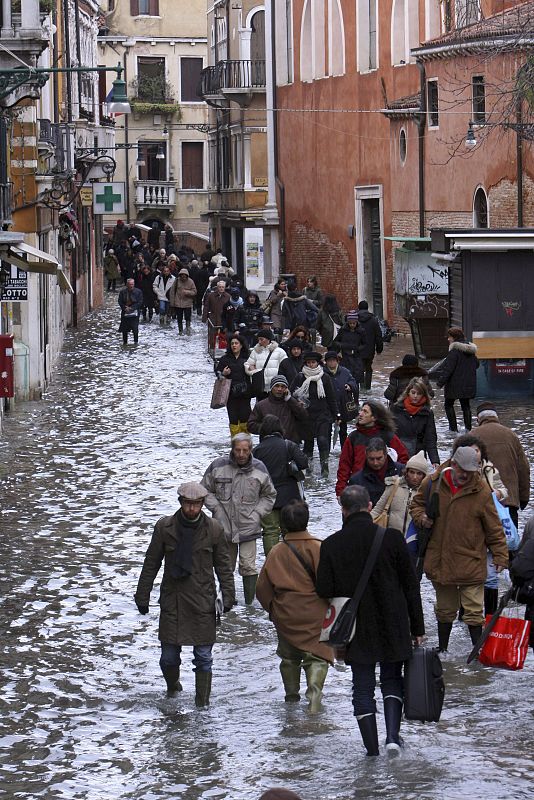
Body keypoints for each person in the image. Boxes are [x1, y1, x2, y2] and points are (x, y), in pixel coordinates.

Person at [316, 485, 425, 757]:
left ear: (343, 510)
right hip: (393, 621)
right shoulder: (393, 538)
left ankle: (372, 751)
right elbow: (411, 586)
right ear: (369, 506)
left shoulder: (331, 545)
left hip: (356, 626)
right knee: (392, 679)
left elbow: (324, 589)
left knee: (362, 686)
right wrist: (418, 627)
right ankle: (392, 738)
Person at [134, 482, 235, 706]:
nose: (192, 508)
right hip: (173, 600)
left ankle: (202, 705)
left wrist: (228, 596)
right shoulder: (164, 527)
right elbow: (151, 562)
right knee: (168, 658)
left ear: (202, 504)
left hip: (203, 602)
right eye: (188, 504)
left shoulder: (214, 529)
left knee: (204, 658)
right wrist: (142, 595)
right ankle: (173, 688)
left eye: (196, 504)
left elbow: (223, 566)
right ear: (180, 502)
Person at [410, 446, 509, 653]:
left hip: (471, 559)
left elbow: (493, 527)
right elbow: (416, 505)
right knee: (445, 609)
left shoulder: (481, 490)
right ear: (453, 464)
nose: (466, 475)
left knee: (473, 611)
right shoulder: (433, 482)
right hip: (440, 558)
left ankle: (477, 653)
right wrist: (422, 518)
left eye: (470, 471)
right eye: (463, 470)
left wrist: (501, 555)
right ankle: (442, 650)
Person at [256, 500, 332, 712]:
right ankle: (314, 696)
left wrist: (274, 610)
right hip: (315, 613)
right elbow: (331, 584)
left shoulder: (276, 551)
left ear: (283, 524)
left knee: (289, 658)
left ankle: (291, 699)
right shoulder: (319, 547)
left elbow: (262, 589)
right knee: (317, 657)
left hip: (286, 613)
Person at [201, 434, 276, 604]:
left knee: (248, 566)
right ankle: (227, 602)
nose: (241, 454)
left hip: (249, 526)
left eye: (245, 450)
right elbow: (204, 490)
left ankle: (249, 605)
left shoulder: (260, 469)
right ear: (232, 449)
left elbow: (269, 495)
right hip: (224, 527)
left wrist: (257, 513)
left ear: (250, 450)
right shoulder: (218, 466)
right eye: (238, 450)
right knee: (225, 567)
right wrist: (217, 508)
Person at [450, 433, 510, 615]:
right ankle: (465, 611)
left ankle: (490, 615)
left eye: (476, 450)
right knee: (464, 573)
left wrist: (496, 493)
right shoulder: (453, 473)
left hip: (487, 523)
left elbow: (504, 490)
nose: (474, 453)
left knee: (490, 576)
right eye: (470, 450)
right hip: (465, 531)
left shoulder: (489, 469)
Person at [253, 416, 309, 554]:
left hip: (267, 498)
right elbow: (303, 463)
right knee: (290, 531)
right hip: (290, 497)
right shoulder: (288, 445)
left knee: (270, 531)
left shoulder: (257, 450)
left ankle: (272, 561)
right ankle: (292, 560)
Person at [371, 451, 430, 573]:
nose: (415, 477)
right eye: (412, 472)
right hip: (390, 544)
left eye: (419, 473)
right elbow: (377, 510)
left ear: (424, 476)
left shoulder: (427, 493)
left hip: (414, 546)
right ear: (406, 472)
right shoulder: (394, 486)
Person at [474, 401, 530, 528]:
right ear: (496, 417)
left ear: (478, 419)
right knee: (510, 538)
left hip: (482, 503)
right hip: (509, 502)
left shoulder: (472, 436)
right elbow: (524, 469)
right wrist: (523, 498)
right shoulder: (511, 435)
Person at [336, 401, 409, 497]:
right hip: (359, 487)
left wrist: (394, 479)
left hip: (385, 487)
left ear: (374, 417)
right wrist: (340, 491)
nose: (360, 414)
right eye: (361, 410)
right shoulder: (353, 437)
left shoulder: (388, 436)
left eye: (365, 412)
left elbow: (403, 459)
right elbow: (344, 465)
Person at [290, 351, 339, 477]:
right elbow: (291, 395)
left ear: (318, 363)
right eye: (308, 363)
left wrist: (336, 415)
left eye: (313, 362)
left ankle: (325, 469)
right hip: (305, 416)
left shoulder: (325, 377)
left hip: (323, 415)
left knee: (323, 440)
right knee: (308, 444)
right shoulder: (300, 377)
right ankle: (308, 470)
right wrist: (298, 402)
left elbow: (331, 398)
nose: (311, 365)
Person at [435, 327, 479, 432]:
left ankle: (453, 429)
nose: (448, 339)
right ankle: (468, 429)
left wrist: (440, 383)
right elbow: (476, 364)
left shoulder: (454, 351)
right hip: (468, 383)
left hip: (454, 384)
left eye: (449, 337)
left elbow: (448, 369)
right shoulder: (470, 351)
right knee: (466, 406)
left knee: (448, 405)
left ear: (454, 337)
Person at [391, 378, 439, 466]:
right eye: (413, 393)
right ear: (408, 392)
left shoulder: (427, 413)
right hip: (399, 454)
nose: (415, 396)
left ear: (423, 395)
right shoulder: (396, 409)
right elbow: (389, 432)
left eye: (419, 393)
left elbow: (430, 438)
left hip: (418, 454)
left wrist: (435, 461)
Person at [248, 375, 308, 444]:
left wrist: (290, 400)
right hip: (269, 444)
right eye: (276, 386)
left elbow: (304, 416)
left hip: (290, 444)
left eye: (282, 386)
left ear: (286, 389)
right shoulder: (261, 405)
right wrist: (266, 427)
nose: (279, 389)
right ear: (271, 388)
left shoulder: (292, 403)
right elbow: (251, 425)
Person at [349, 438, 404, 506]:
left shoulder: (402, 471)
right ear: (366, 456)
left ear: (386, 455)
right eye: (371, 459)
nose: (375, 463)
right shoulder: (356, 480)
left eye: (379, 458)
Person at [215, 333, 251, 436]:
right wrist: (223, 374)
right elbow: (217, 372)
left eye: (236, 343)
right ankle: (235, 441)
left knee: (245, 418)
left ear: (241, 345)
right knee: (233, 418)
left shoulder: (248, 358)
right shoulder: (225, 359)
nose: (234, 345)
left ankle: (245, 441)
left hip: (245, 393)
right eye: (232, 344)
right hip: (230, 394)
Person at [323, 350, 359, 447]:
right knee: (327, 431)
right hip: (328, 406)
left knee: (343, 431)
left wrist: (350, 386)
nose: (332, 362)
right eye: (329, 361)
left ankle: (344, 450)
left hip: (342, 405)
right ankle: (327, 451)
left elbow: (353, 382)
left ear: (337, 361)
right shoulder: (322, 373)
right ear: (326, 362)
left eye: (333, 360)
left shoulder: (345, 371)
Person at [244, 330, 287, 400]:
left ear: (268, 339)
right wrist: (254, 371)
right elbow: (248, 365)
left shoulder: (279, 351)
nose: (259, 342)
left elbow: (286, 367)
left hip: (276, 387)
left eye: (261, 339)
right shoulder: (255, 352)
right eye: (258, 339)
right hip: (261, 387)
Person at [333, 311, 366, 383]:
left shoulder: (361, 331)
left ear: (356, 322)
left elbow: (365, 344)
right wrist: (342, 346)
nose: (352, 325)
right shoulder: (343, 330)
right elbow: (336, 341)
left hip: (357, 357)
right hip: (345, 357)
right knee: (346, 377)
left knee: (356, 378)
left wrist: (358, 349)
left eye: (354, 323)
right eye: (350, 323)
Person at [357, 301, 384, 390]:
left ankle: (361, 388)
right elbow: (378, 336)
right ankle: (367, 388)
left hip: (357, 349)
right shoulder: (373, 320)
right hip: (369, 349)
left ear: (359, 308)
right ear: (367, 308)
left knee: (359, 368)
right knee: (368, 368)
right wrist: (379, 349)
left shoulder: (354, 320)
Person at [168, 268, 197, 334]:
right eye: (182, 275)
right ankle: (180, 331)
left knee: (188, 317)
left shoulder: (191, 281)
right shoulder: (177, 281)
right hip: (178, 303)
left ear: (187, 275)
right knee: (179, 318)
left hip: (187, 303)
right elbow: (172, 292)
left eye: (185, 275)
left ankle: (188, 329)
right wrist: (172, 303)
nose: (183, 277)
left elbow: (194, 291)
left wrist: (187, 292)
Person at [118, 278, 143, 345]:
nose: (131, 286)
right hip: (125, 312)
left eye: (132, 284)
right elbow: (120, 301)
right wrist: (124, 308)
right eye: (130, 284)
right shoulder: (122, 292)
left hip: (135, 313)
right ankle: (125, 342)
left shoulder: (138, 292)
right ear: (127, 285)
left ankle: (135, 342)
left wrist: (132, 308)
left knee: (135, 328)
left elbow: (140, 302)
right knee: (124, 329)